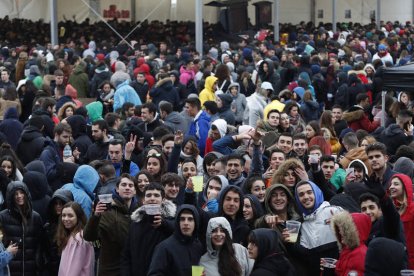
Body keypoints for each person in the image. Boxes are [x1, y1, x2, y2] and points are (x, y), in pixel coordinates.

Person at [84, 174, 138, 276]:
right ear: (117, 189)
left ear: (135, 191)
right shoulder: (107, 210)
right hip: (111, 269)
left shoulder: (140, 212)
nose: (127, 187)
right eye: (124, 185)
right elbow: (89, 236)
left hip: (132, 268)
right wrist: (95, 216)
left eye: (131, 186)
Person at [285, 180, 342, 276]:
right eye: (301, 194)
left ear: (316, 193)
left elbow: (352, 237)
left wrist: (342, 223)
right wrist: (290, 242)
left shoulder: (332, 211)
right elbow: (306, 255)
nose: (306, 197)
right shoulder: (302, 224)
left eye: (309, 192)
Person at [121, 183, 176, 276]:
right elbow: (126, 255)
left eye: (156, 195)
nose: (152, 198)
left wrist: (163, 224)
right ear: (143, 200)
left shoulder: (170, 220)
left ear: (163, 200)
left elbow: (177, 232)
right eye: (149, 195)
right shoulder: (135, 223)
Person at [0, 181, 43, 275]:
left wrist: (38, 266)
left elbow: (40, 246)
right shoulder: (2, 217)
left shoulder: (35, 217)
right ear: (10, 197)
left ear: (26, 194)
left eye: (21, 192)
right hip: (10, 269)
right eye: (15, 194)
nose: (19, 196)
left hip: (31, 270)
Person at [147, 204, 203, 276]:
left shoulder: (197, 246)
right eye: (182, 219)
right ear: (177, 222)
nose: (186, 223)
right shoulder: (164, 247)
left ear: (196, 223)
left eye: (190, 219)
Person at [56, 202, 94, 276]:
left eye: (70, 216)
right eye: (63, 215)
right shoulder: (77, 235)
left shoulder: (78, 238)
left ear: (78, 217)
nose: (66, 219)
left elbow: (73, 270)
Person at [331, 211, 371, 276]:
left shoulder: (360, 254)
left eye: (344, 229)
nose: (340, 232)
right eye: (339, 229)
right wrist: (338, 263)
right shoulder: (347, 250)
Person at [44, 189, 74, 276]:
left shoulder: (73, 227)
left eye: (61, 203)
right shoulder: (48, 227)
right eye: (56, 204)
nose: (58, 206)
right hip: (52, 269)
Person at [388, 173, 414, 268]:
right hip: (396, 259)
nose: (391, 187)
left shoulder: (413, 209)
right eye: (391, 184)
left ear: (405, 187)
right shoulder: (392, 209)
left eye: (396, 184)